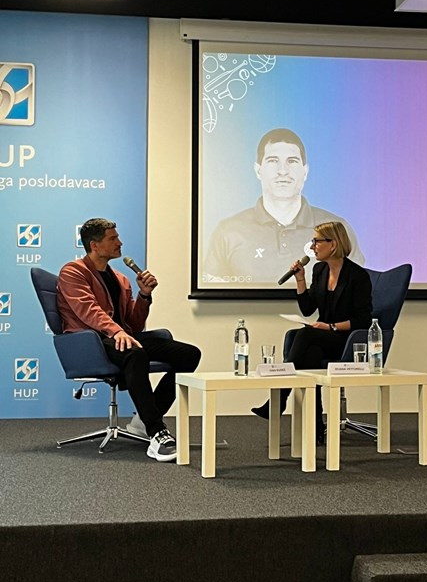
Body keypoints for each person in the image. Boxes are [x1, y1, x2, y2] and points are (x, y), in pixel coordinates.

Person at [57, 218, 201, 462]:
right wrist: (116, 332)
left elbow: (133, 325)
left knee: (189, 354)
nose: (120, 242)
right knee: (135, 352)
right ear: (94, 245)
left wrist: (144, 295)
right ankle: (156, 432)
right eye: (113, 238)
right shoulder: (73, 272)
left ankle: (142, 422)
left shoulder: (121, 279)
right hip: (90, 341)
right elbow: (88, 310)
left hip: (120, 337)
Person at [252, 220, 372, 443]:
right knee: (308, 354)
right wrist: (300, 279)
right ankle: (316, 427)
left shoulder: (357, 276)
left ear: (333, 244)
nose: (312, 246)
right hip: (323, 337)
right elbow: (308, 309)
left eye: (317, 241)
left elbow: (363, 320)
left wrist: (331, 326)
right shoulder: (319, 270)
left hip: (346, 339)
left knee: (304, 335)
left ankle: (279, 398)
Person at [204, 128, 364, 283]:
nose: (282, 171)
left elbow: (359, 289)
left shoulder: (337, 229)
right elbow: (210, 291)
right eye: (273, 161)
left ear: (305, 171)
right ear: (258, 170)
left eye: (292, 161)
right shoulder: (228, 231)